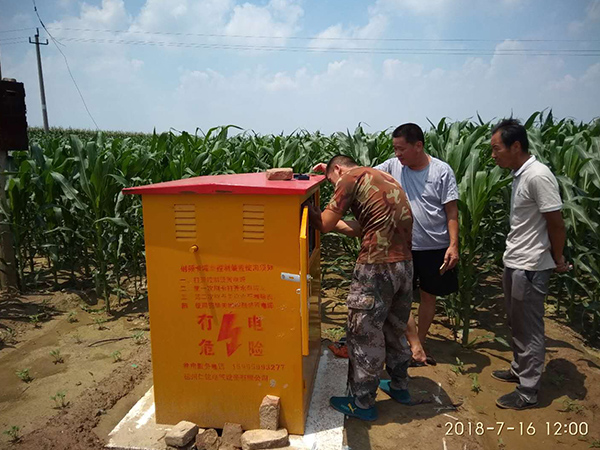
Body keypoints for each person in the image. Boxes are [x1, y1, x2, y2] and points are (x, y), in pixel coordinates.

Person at [313, 123, 460, 365]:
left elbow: (451, 210)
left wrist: (453, 245)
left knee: (426, 297)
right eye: (394, 149)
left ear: (418, 146)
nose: (397, 154)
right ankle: (413, 348)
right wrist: (330, 169)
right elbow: (361, 172)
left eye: (401, 149)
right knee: (401, 301)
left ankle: (418, 344)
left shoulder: (441, 171)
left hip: (432, 244)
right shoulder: (392, 166)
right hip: (403, 244)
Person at [308, 155, 414, 421]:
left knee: (364, 333)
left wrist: (309, 208)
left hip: (376, 268)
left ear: (338, 169)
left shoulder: (347, 178)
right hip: (404, 266)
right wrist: (336, 225)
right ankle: (400, 386)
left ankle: (362, 403)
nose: (335, 186)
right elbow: (360, 228)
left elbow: (324, 223)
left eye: (332, 180)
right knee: (394, 327)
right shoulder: (382, 178)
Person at [490, 118, 569, 410]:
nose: (493, 155)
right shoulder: (520, 174)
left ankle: (528, 392)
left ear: (516, 146)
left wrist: (557, 258)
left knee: (530, 328)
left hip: (532, 265)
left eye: (496, 148)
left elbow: (556, 223)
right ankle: (519, 368)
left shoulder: (538, 176)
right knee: (515, 321)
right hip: (516, 261)